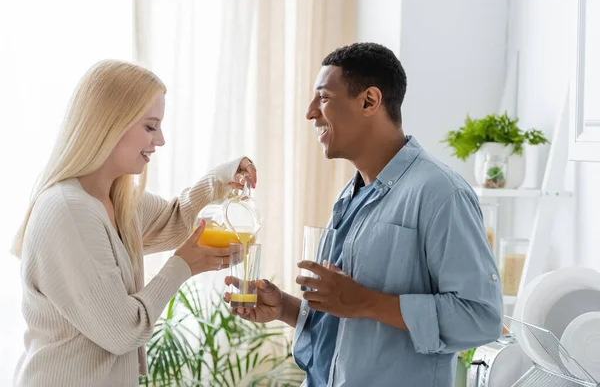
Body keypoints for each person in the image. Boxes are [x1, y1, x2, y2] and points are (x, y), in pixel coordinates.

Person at [224, 42, 503, 386]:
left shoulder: (441, 193)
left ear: (370, 101)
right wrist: (283, 307)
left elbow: (481, 318)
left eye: (323, 98)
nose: (310, 112)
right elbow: (347, 325)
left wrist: (366, 302)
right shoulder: (351, 193)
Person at [12, 59, 258, 387]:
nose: (161, 141)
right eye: (150, 126)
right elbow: (123, 332)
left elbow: (176, 219)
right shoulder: (69, 211)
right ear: (110, 123)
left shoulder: (117, 201)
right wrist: (183, 265)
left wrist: (224, 176)